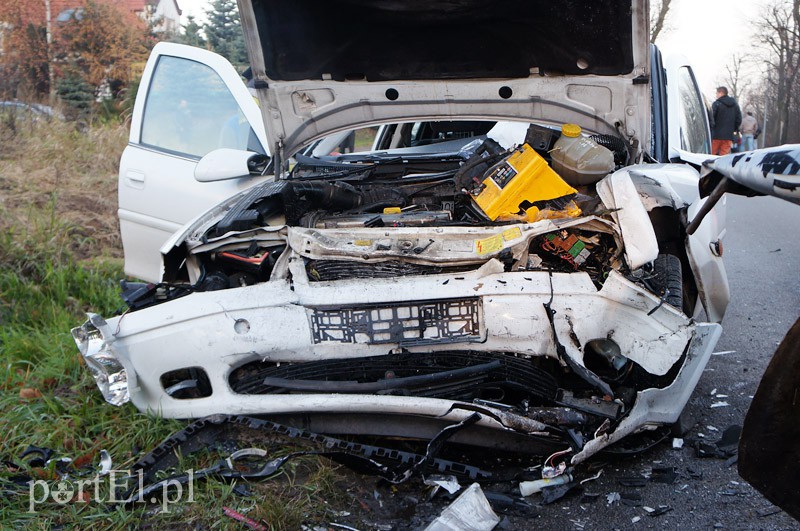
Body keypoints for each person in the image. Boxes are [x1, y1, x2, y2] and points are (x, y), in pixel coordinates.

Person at [711, 86, 742, 156]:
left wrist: (712, 128)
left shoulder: (716, 104)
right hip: (728, 136)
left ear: (721, 93)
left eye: (717, 93)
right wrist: (734, 129)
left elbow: (712, 118)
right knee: (723, 156)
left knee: (711, 155)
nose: (716, 95)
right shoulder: (735, 105)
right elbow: (739, 119)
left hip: (716, 135)